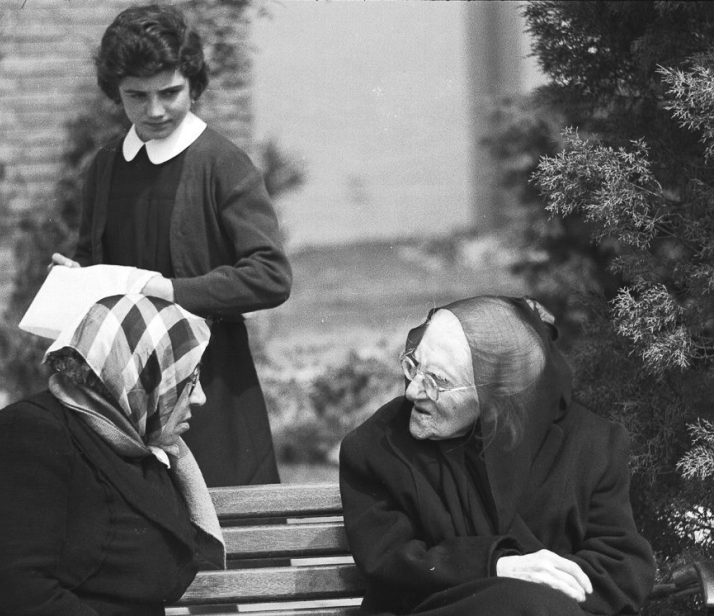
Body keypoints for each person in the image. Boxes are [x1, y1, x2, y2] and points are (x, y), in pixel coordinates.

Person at [51, 3, 292, 487]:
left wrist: (170, 289)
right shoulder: (105, 168)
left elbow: (271, 275)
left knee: (230, 531)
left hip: (212, 387)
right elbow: (96, 259)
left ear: (194, 84)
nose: (155, 110)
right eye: (136, 96)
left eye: (170, 92)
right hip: (123, 391)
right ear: (114, 93)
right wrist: (75, 276)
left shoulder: (221, 164)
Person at [339, 295, 656, 616]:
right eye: (414, 366)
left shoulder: (592, 443)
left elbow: (622, 565)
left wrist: (546, 587)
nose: (413, 391)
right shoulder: (377, 445)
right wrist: (498, 566)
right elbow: (390, 561)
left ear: (501, 396)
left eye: (438, 381)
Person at [0, 294, 225, 615]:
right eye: (189, 378)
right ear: (141, 373)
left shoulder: (133, 444)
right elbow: (18, 592)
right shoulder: (24, 435)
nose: (199, 397)